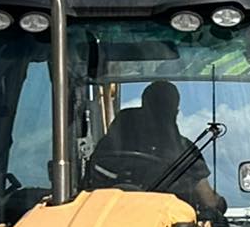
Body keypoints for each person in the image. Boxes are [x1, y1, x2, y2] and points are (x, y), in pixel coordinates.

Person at [87, 79, 226, 218]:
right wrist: (219, 203)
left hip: (106, 219)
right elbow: (208, 201)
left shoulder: (109, 148)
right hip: (165, 224)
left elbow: (89, 183)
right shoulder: (185, 152)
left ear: (143, 107)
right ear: (175, 113)